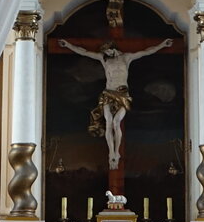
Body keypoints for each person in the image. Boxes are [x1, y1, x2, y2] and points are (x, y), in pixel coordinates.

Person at [58, 37, 173, 169]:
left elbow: (146, 51)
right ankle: (110, 153)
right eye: (105, 52)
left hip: (123, 95)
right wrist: (68, 45)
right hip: (108, 93)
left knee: (116, 122)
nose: (106, 54)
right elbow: (83, 52)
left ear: (113, 48)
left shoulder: (126, 58)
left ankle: (116, 152)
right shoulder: (104, 59)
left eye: (107, 51)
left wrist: (162, 45)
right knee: (108, 122)